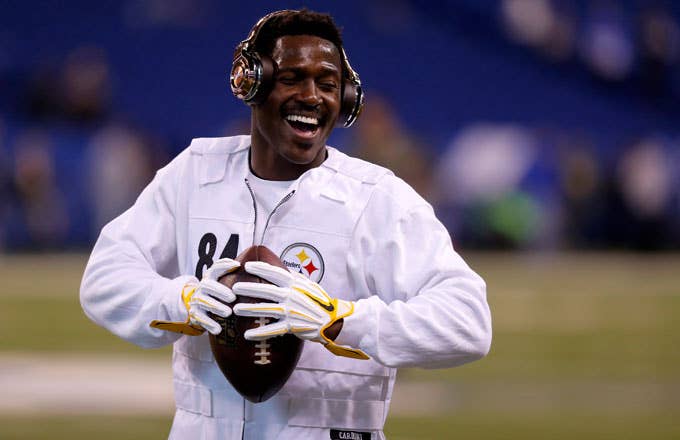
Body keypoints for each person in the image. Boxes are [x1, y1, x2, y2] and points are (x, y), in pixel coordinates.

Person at [80, 9, 492, 440]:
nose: (312, 96)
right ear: (251, 83)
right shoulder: (194, 174)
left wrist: (339, 319)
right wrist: (182, 300)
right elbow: (104, 280)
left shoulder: (377, 199)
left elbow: (468, 323)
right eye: (293, 78)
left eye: (328, 84)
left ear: (347, 99)